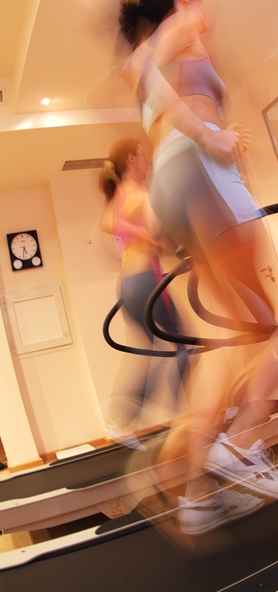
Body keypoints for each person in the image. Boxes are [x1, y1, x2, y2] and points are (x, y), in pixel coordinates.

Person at [119, 0, 278, 534]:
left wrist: (214, 136)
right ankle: (243, 443)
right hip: (202, 179)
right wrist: (211, 136)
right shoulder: (183, 27)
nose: (205, 7)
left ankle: (194, 488)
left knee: (230, 343)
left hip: (182, 186)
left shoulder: (186, 44)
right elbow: (138, 71)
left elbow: (154, 90)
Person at [99, 137, 188, 451]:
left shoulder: (119, 196)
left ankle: (120, 420)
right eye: (143, 157)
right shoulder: (139, 194)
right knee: (186, 345)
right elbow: (159, 237)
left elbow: (107, 222)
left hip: (127, 285)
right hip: (148, 281)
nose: (147, 162)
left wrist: (134, 232)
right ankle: (191, 414)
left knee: (151, 350)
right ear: (131, 159)